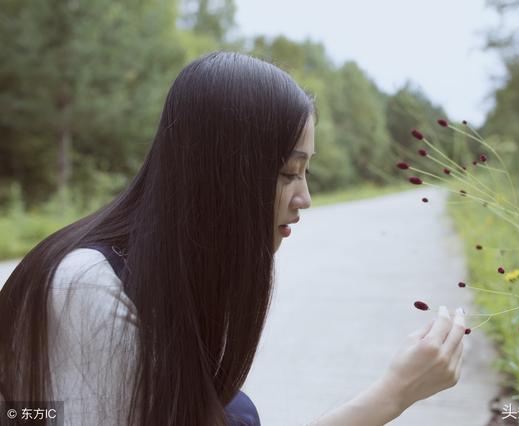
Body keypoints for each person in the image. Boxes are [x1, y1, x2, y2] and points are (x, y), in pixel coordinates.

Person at [0, 51, 465, 425]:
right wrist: (391, 395)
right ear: (221, 175)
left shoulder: (168, 275)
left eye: (306, 172)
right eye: (288, 173)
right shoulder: (87, 287)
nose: (304, 197)